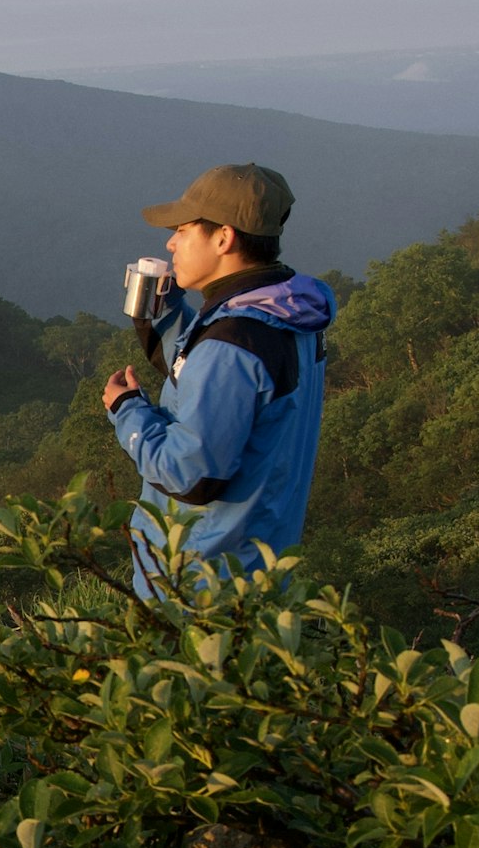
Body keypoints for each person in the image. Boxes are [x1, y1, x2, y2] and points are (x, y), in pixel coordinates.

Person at [97, 165, 336, 598]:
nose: (170, 242)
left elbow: (190, 477)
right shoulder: (285, 312)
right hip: (259, 566)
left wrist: (127, 410)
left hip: (201, 585)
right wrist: (164, 313)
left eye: (183, 231)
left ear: (223, 238)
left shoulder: (236, 341)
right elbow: (218, 382)